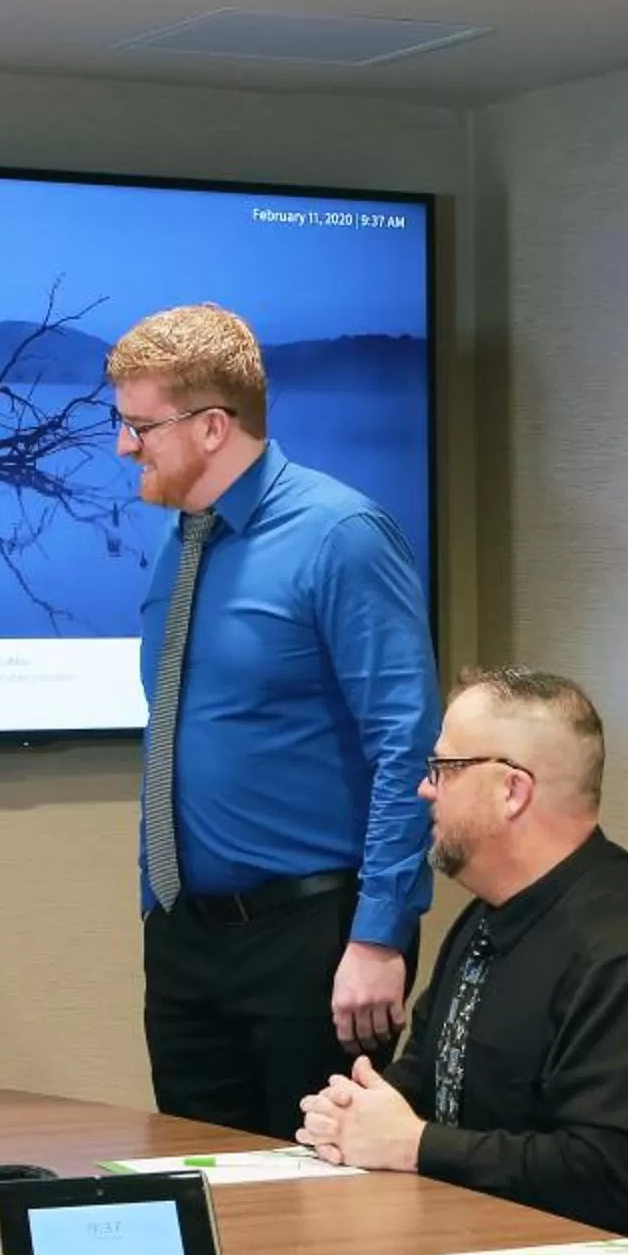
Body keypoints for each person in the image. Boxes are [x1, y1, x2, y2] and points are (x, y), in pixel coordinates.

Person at [294, 667, 628, 1255]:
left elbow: (604, 1175)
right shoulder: (488, 918)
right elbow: (432, 1074)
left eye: (444, 768)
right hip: (500, 1251)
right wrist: (361, 1108)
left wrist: (414, 1144)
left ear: (512, 790)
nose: (425, 789)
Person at [111, 303, 436, 1139]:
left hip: (314, 940)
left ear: (212, 426)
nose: (124, 447)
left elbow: (406, 745)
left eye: (140, 426)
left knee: (320, 1203)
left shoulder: (341, 537)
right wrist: (160, 906)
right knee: (200, 1188)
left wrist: (379, 934)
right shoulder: (185, 540)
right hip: (186, 938)